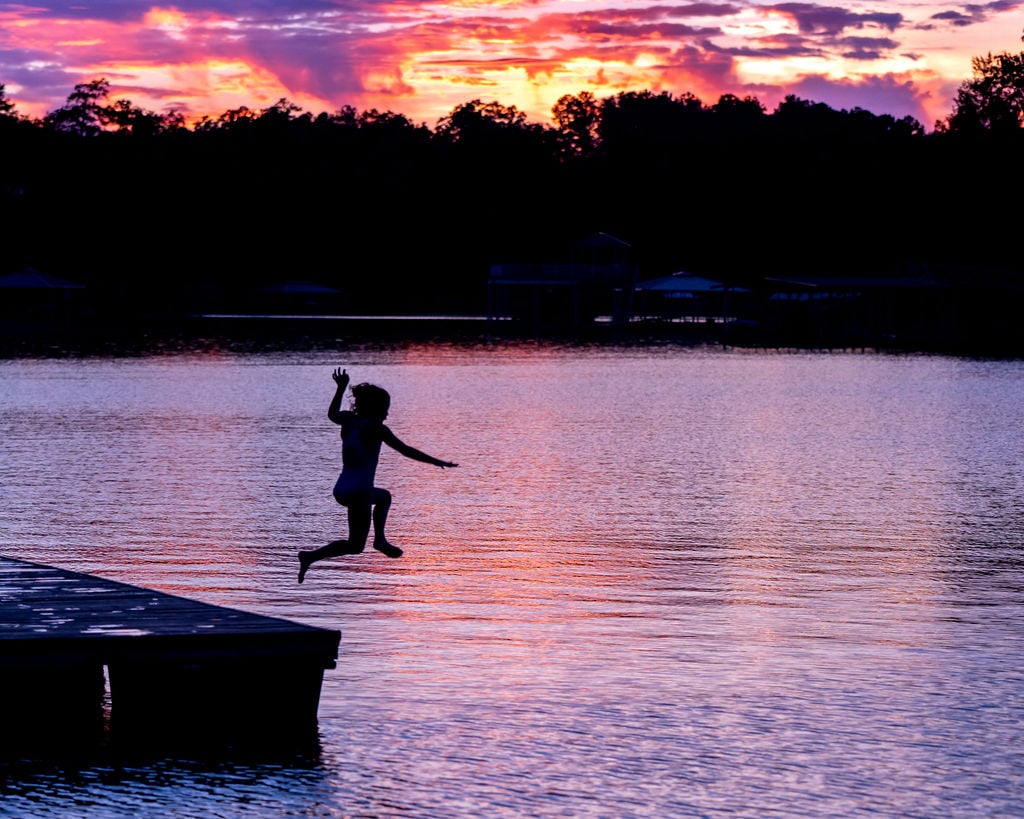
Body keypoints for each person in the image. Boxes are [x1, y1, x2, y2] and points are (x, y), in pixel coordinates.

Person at [298, 367, 457, 582]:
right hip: (359, 492)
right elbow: (405, 450)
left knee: (375, 510)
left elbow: (332, 414)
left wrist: (340, 388)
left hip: (343, 489)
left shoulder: (348, 420)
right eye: (385, 409)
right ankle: (379, 540)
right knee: (361, 536)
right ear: (375, 409)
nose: (387, 414)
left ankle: (311, 556)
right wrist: (436, 461)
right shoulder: (377, 429)